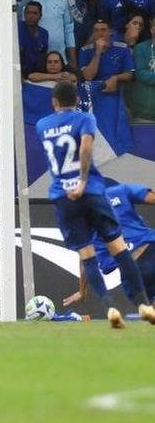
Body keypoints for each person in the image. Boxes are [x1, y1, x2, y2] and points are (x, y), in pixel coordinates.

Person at [34, 80, 155, 327]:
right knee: (119, 248)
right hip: (89, 191)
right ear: (77, 100)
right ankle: (143, 304)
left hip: (62, 196)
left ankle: (109, 308)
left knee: (87, 255)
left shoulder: (41, 125)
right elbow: (86, 146)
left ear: (54, 102)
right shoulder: (85, 119)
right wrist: (82, 181)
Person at [64, 179, 155, 309]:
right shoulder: (120, 191)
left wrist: (82, 291)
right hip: (150, 249)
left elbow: (86, 260)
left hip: (132, 270)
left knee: (148, 308)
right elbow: (151, 196)